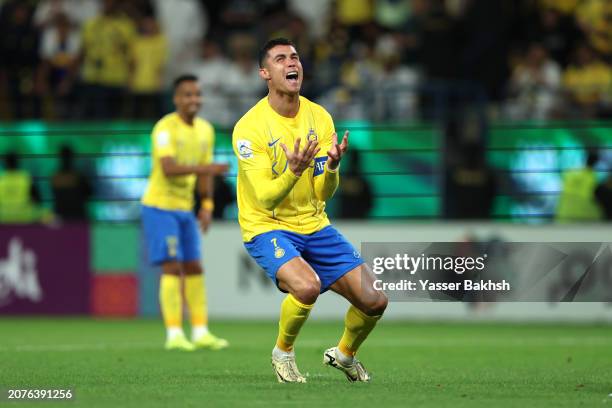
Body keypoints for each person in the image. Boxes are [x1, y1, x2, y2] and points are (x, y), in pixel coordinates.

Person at [232, 38, 388, 383]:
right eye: (280, 59)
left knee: (375, 300)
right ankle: (283, 353)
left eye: (295, 57)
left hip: (314, 224)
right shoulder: (249, 128)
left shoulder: (319, 117)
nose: (292, 63)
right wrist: (293, 170)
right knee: (306, 287)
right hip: (266, 225)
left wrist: (332, 168)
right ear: (265, 73)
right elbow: (266, 197)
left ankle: (345, 355)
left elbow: (324, 193)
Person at [141, 74, 229, 351]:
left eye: (197, 95)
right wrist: (208, 169)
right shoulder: (165, 128)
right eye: (188, 95)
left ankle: (201, 331)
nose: (194, 100)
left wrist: (206, 205)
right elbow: (169, 168)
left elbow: (204, 175)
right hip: (159, 207)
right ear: (176, 99)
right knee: (172, 266)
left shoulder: (205, 130)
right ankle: (174, 334)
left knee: (194, 267)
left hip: (185, 209)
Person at [555, 150, 603, 222]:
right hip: (582, 214)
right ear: (596, 162)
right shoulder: (592, 178)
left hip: (564, 212)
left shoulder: (571, 172)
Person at [51, 144, 92, 221]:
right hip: (77, 217)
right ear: (73, 158)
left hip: (64, 217)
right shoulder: (79, 176)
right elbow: (88, 193)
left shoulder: (56, 177)